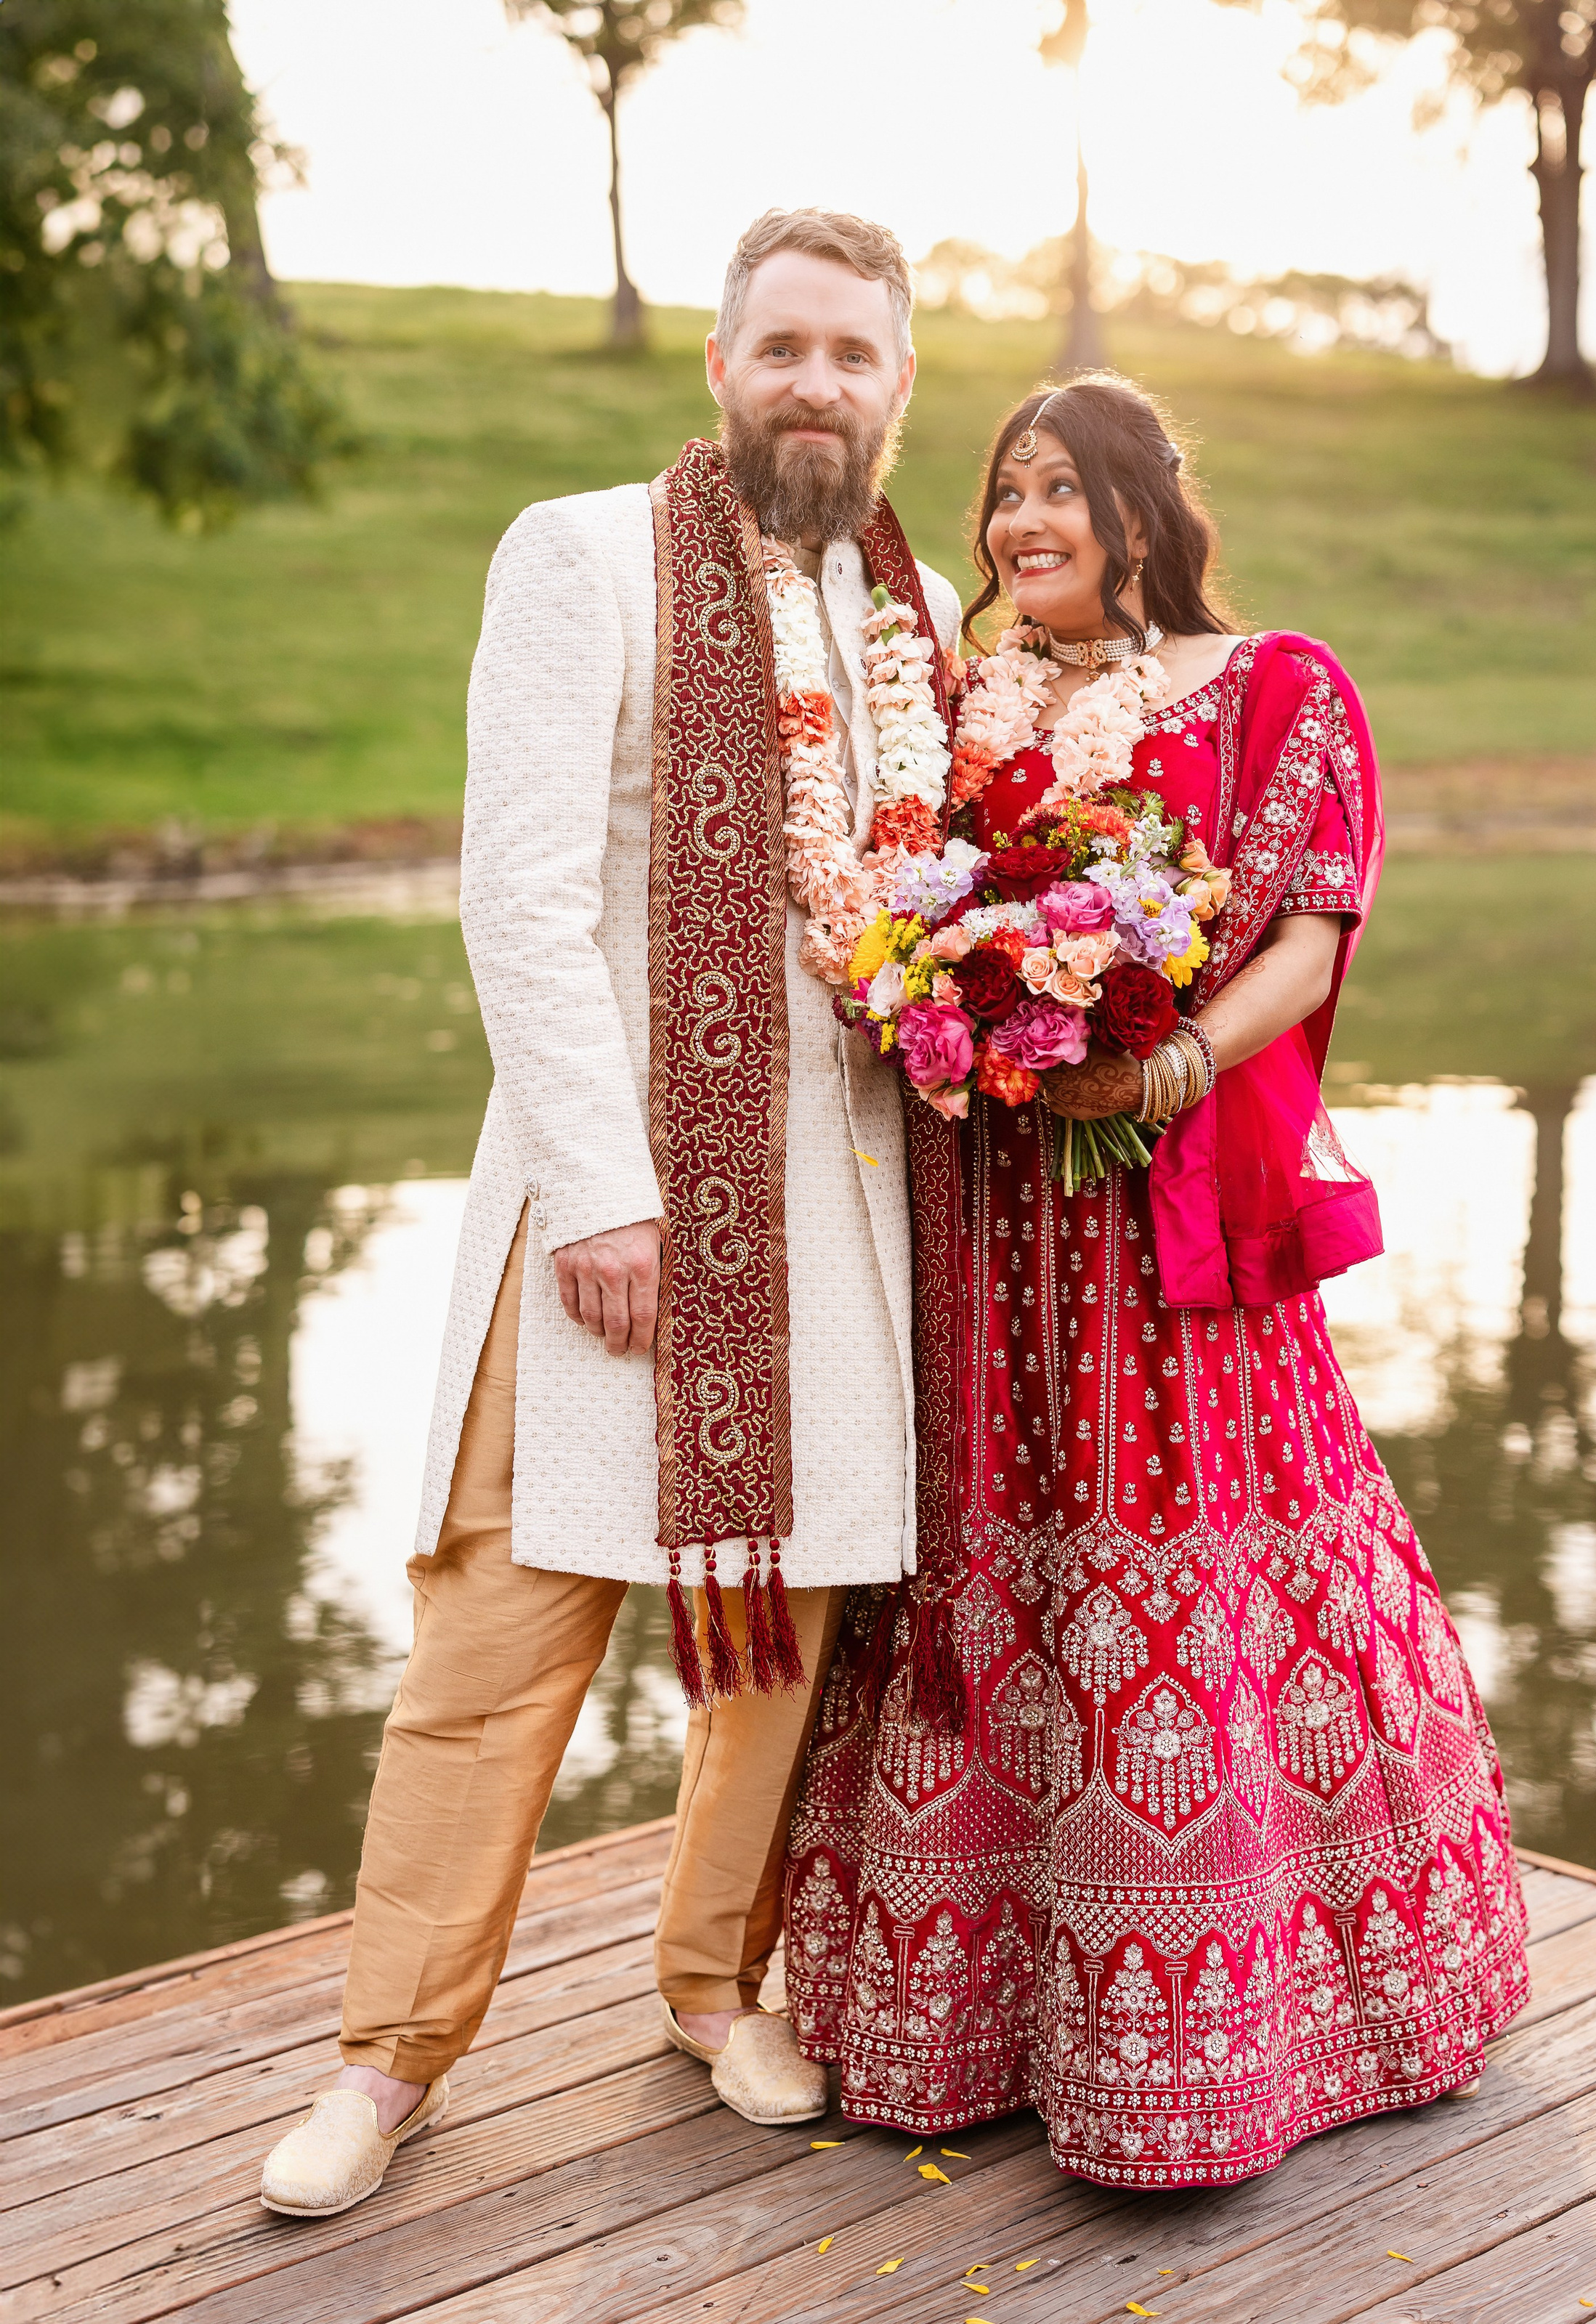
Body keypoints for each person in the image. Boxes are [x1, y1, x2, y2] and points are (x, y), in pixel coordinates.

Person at [259, 208, 963, 2219]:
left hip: (840, 1210)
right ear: (719, 367)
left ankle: (709, 1982)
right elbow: (521, 892)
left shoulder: (909, 615)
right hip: (621, 1200)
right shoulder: (581, 556)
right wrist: (599, 1188)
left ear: (897, 388)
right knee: (500, 1629)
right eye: (782, 347)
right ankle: (385, 2060)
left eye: (852, 353)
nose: (815, 383)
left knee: (786, 1633)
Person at [782, 375, 1531, 2188]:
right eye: (1002, 490)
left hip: (1176, 1215)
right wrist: (949, 991)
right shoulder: (957, 706)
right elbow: (888, 905)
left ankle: (1268, 2011)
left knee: (1207, 1527)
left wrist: (1163, 1064)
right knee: (994, 1545)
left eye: (1059, 487)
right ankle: (972, 2015)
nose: (1020, 521)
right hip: (994, 1223)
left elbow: (1309, 932)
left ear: (1139, 511)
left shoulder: (1275, 686)